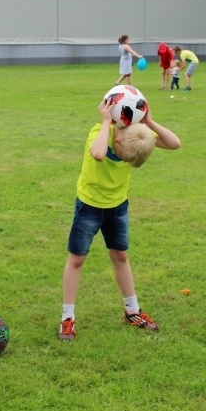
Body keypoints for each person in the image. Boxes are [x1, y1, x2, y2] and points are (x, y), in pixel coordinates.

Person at [58, 99, 181, 341]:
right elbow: (98, 154)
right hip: (89, 207)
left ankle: (132, 312)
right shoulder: (100, 133)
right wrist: (105, 121)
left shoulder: (136, 137)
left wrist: (148, 121)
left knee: (120, 256)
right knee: (77, 259)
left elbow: (175, 143)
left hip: (117, 207)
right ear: (117, 139)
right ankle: (67, 318)